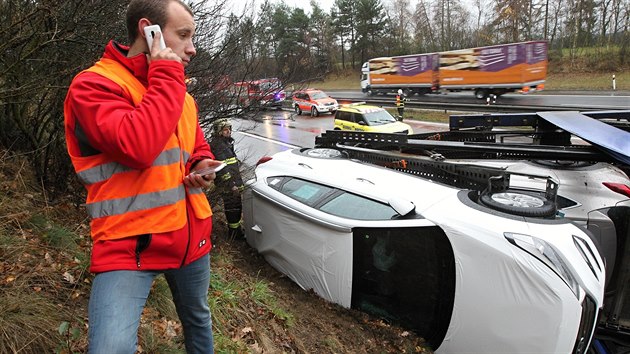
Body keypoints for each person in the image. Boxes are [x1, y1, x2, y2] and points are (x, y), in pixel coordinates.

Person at [63, 0, 217, 352]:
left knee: (198, 319)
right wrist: (166, 75)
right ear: (149, 31)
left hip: (190, 239)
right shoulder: (93, 85)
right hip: (129, 246)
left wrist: (201, 166)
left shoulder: (181, 93)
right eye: (183, 35)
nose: (192, 48)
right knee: (110, 348)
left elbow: (198, 146)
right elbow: (138, 146)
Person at [209, 118, 245, 240]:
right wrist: (232, 185)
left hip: (233, 182)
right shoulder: (217, 145)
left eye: (229, 129)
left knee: (237, 207)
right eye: (225, 130)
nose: (228, 132)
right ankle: (234, 234)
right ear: (219, 131)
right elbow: (222, 168)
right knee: (232, 209)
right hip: (228, 186)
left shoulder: (226, 143)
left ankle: (237, 230)